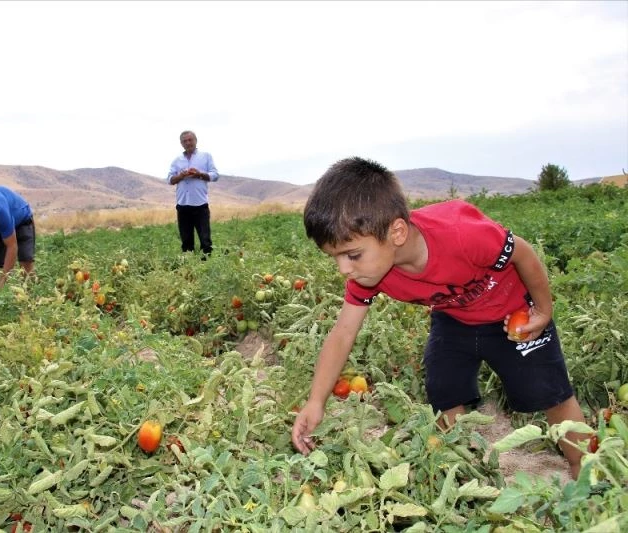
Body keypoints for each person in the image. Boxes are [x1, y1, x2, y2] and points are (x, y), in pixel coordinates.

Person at [290, 157, 587, 479]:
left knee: (552, 394)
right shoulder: (369, 275)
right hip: (454, 318)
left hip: (513, 314)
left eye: (352, 255)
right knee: (444, 390)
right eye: (335, 258)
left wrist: (542, 311)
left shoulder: (462, 235)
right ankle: (463, 467)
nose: (344, 269)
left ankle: (586, 468)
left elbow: (523, 253)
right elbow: (343, 332)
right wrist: (315, 401)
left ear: (397, 232)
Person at [166, 130, 219, 255]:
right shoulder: (176, 161)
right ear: (181, 143)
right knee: (186, 242)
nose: (188, 143)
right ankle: (189, 269)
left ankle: (206, 268)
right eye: (185, 141)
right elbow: (170, 180)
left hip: (200, 205)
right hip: (183, 205)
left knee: (205, 241)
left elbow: (215, 175)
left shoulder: (206, 156)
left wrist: (199, 174)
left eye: (190, 140)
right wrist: (181, 176)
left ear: (196, 141)